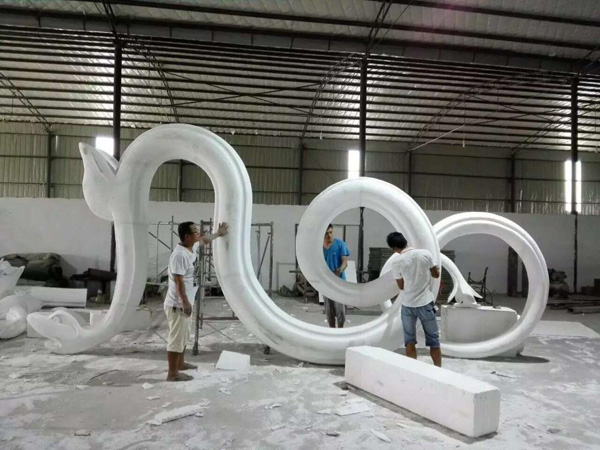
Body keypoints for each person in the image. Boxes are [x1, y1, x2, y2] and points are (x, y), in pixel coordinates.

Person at [164, 221, 229, 382]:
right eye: (195, 231)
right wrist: (185, 302)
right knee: (176, 338)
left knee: (184, 336)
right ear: (187, 236)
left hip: (185, 302)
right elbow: (178, 282)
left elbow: (204, 240)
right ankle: (172, 373)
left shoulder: (191, 247)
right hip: (178, 304)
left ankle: (180, 364)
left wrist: (218, 234)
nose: (198, 233)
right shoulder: (179, 255)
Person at [386, 232, 442, 367]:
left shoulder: (396, 262)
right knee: (434, 341)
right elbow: (436, 275)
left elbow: (401, 286)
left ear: (394, 248)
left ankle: (413, 371)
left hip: (408, 305)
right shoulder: (425, 254)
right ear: (405, 241)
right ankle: (438, 370)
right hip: (425, 303)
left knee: (409, 341)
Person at [322, 224, 350, 328]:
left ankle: (340, 332)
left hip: (339, 282)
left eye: (330, 232)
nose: (329, 235)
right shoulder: (318, 248)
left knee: (340, 310)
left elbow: (345, 262)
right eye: (326, 233)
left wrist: (339, 270)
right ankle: (332, 332)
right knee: (329, 311)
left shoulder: (340, 244)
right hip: (326, 283)